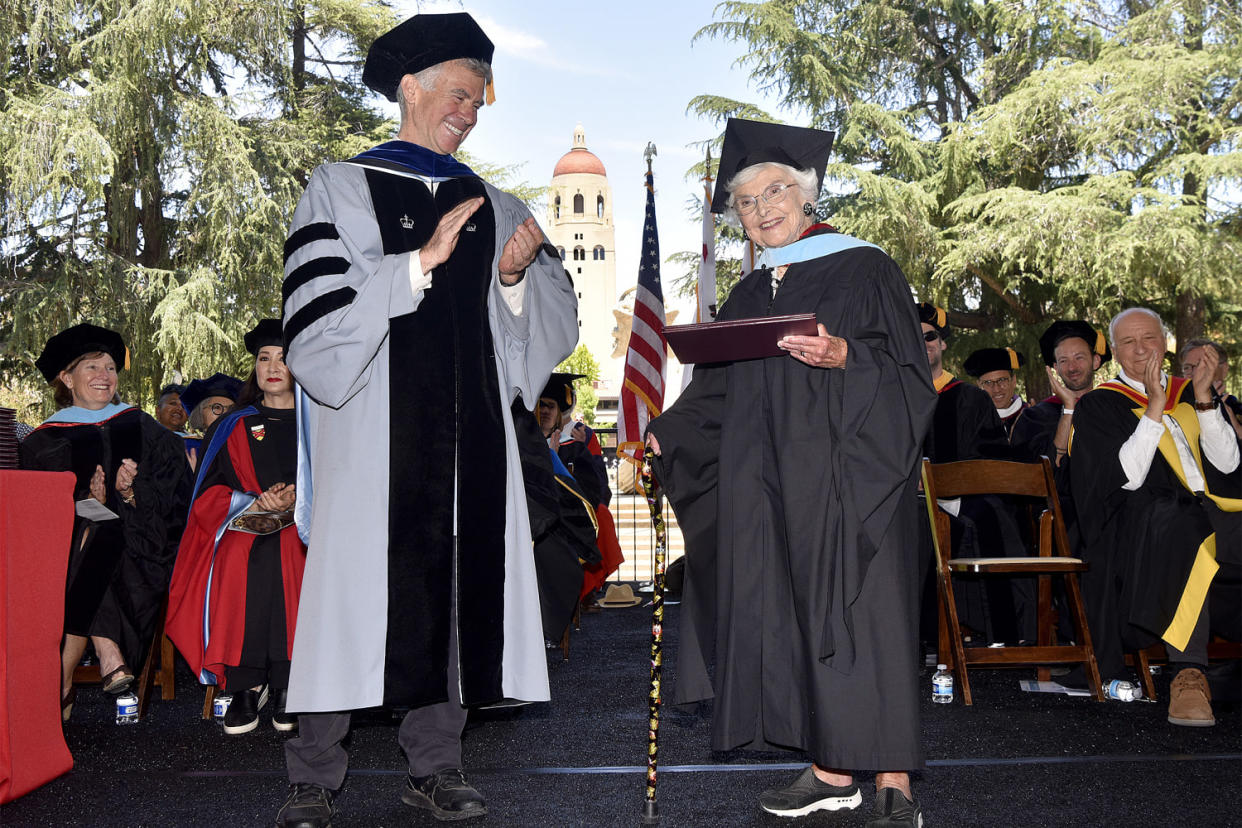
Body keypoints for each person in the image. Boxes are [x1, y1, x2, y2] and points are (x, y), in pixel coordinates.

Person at [275, 13, 577, 827]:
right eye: (457, 94)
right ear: (408, 89)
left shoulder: (494, 201)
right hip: (376, 444)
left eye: (479, 101)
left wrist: (512, 278)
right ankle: (312, 774)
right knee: (348, 601)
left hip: (472, 447)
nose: (470, 112)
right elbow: (314, 331)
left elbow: (540, 337)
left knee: (454, 598)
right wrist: (415, 266)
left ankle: (436, 765)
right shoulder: (338, 187)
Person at [645, 118, 935, 826]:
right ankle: (831, 770)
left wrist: (847, 360)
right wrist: (665, 433)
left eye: (775, 190)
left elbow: (908, 377)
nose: (761, 208)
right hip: (772, 488)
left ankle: (893, 779)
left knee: (868, 618)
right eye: (745, 201)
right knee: (795, 619)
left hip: (855, 482)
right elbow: (715, 395)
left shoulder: (866, 267)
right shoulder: (747, 295)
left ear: (807, 195)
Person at [1070, 308, 1240, 726]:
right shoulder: (1099, 405)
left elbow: (1230, 466)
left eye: (1149, 338)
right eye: (1128, 342)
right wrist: (1154, 410)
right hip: (1144, 530)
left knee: (1199, 521)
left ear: (1164, 344)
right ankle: (1189, 675)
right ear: (1113, 352)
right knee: (1185, 527)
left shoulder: (1192, 391)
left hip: (1215, 511)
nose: (1141, 348)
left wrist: (1203, 401)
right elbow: (1123, 480)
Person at [19, 323, 191, 721]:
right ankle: (107, 649)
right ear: (66, 377)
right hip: (66, 555)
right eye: (92, 367)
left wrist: (130, 494)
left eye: (110, 367)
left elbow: (176, 498)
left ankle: (63, 680)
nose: (104, 376)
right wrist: (83, 502)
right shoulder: (43, 441)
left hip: (142, 551)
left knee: (101, 533)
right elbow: (34, 514)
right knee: (93, 531)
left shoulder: (144, 428)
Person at [166, 319, 307, 736]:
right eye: (264, 358)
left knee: (289, 549)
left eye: (283, 357)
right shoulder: (233, 425)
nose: (272, 366)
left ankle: (287, 682)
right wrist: (255, 502)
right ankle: (245, 683)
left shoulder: (321, 422)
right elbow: (206, 496)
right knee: (238, 554)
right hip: (244, 523)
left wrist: (300, 496)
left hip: (308, 525)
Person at [917, 304, 1028, 645]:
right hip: (909, 502)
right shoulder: (892, 396)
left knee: (990, 518)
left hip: (962, 499)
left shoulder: (971, 398)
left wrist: (952, 493)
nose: (923, 344)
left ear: (943, 343)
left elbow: (991, 460)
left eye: (930, 336)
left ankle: (1000, 635)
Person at [963, 346, 1035, 445]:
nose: (996, 389)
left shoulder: (1031, 415)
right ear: (979, 385)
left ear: (1013, 381)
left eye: (1002, 380)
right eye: (988, 382)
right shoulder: (971, 421)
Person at [1179, 338, 1242, 440]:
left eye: (1203, 366)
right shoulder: (1173, 408)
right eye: (1187, 367)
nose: (1195, 373)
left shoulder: (1235, 408)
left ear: (1224, 369)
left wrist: (1236, 427)